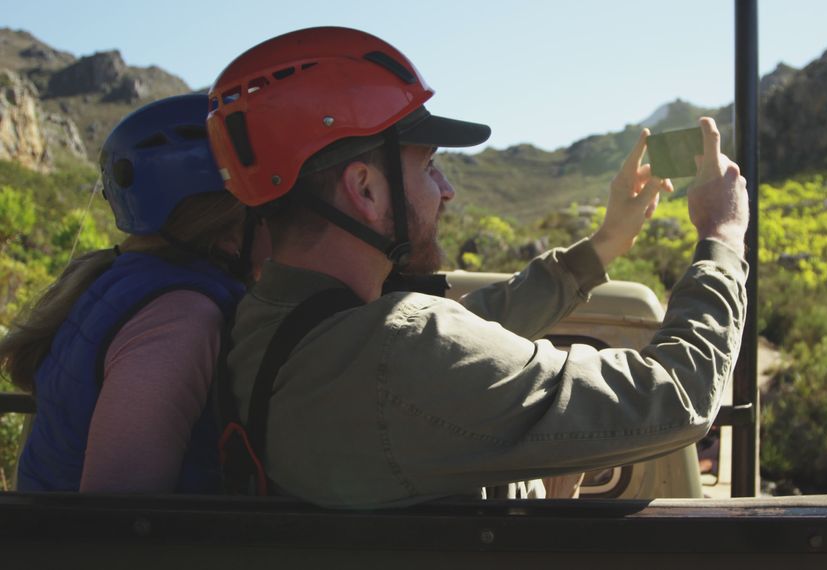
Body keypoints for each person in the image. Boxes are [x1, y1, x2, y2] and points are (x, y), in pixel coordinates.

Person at [208, 27, 748, 508]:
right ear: (365, 190)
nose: (447, 191)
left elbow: (464, 335)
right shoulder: (400, 352)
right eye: (430, 165)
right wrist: (721, 237)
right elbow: (678, 396)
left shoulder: (266, 323)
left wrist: (605, 243)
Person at [0, 94, 269, 493]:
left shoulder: (108, 277)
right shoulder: (181, 320)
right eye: (271, 209)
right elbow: (119, 526)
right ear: (233, 230)